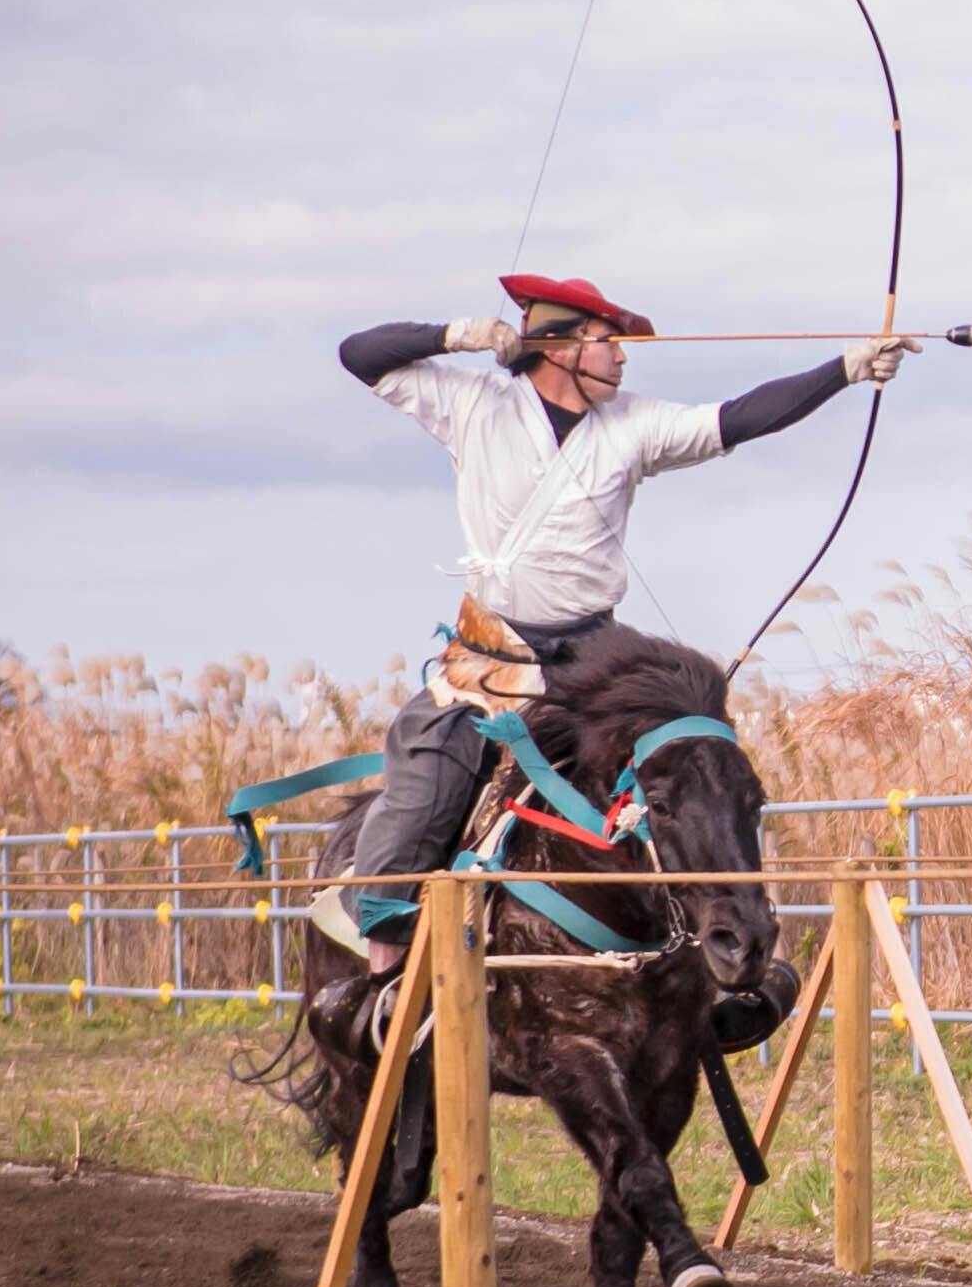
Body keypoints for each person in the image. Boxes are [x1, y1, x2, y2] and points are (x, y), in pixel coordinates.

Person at [331, 274, 913, 983]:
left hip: (593, 664)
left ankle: (708, 969)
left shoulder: (633, 424)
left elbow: (739, 417)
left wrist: (846, 369)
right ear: (560, 347)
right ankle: (382, 985)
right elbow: (360, 354)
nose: (623, 357)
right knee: (426, 784)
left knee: (691, 771)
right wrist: (453, 335)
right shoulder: (476, 404)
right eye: (608, 342)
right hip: (490, 661)